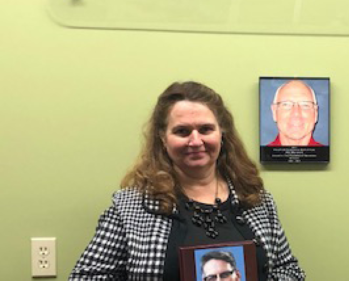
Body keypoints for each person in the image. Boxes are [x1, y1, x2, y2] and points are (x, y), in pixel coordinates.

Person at [71, 81, 306, 280]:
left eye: (205, 129)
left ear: (221, 134)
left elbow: (289, 270)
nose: (195, 141)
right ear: (163, 138)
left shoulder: (257, 201)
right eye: (182, 131)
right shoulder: (130, 207)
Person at [265, 80, 323, 146]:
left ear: (315, 113)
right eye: (286, 104)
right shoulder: (260, 155)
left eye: (305, 105)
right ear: (274, 112)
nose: (296, 113)